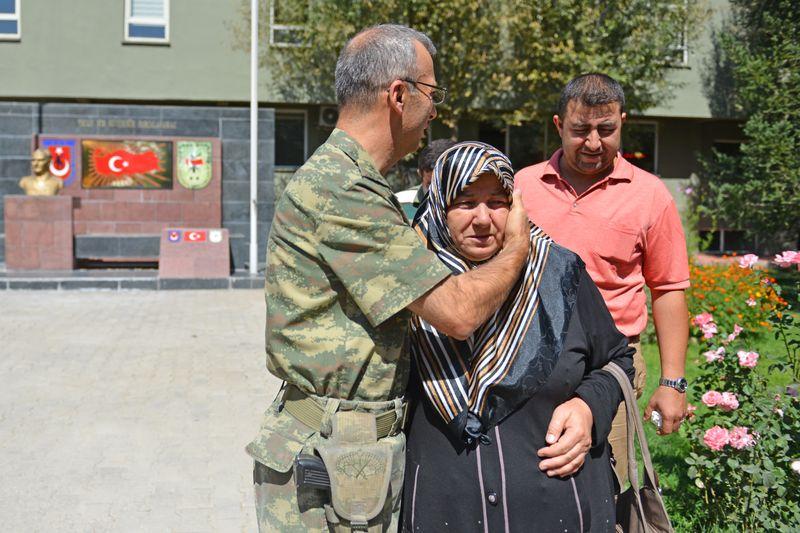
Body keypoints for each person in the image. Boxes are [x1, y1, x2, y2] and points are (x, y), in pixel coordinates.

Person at [246, 25, 533, 533]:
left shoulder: (354, 181)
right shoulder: (343, 188)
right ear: (399, 95)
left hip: (346, 448)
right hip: (339, 457)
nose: (436, 112)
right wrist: (516, 249)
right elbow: (458, 313)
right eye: (433, 93)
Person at [403, 141, 634, 532]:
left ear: (517, 208)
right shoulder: (410, 284)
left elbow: (617, 360)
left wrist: (588, 408)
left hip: (558, 511)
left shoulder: (559, 275)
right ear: (439, 205)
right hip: (445, 515)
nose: (482, 219)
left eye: (497, 202)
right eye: (465, 202)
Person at [514, 73, 690, 485]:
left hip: (611, 365)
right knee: (528, 479)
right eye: (580, 131)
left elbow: (667, 289)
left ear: (622, 124)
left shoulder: (649, 195)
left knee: (604, 484)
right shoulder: (522, 186)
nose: (593, 143)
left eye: (606, 130)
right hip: (525, 357)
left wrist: (673, 382)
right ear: (559, 126)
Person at [395, 139, 456, 219]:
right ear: (420, 173)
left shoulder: (472, 208)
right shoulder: (399, 205)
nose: (438, 193)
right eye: (431, 185)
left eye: (447, 184)